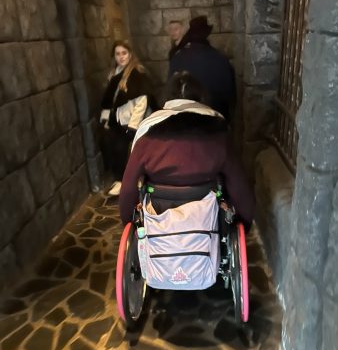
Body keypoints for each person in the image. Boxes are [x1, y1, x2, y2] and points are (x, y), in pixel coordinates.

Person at [119, 72, 255, 230]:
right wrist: (245, 219)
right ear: (201, 96)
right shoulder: (218, 126)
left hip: (158, 212)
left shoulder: (147, 128)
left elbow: (129, 185)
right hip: (207, 214)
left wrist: (128, 220)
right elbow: (237, 181)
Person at [100, 40, 156, 196]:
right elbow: (109, 100)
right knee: (111, 146)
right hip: (117, 119)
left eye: (124, 53)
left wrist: (133, 125)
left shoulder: (138, 74)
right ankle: (120, 179)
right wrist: (106, 119)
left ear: (130, 54)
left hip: (131, 119)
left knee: (126, 148)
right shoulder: (115, 74)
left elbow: (141, 101)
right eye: (117, 54)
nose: (121, 57)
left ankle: (131, 179)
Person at [169, 16, 236, 122]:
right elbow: (230, 94)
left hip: (186, 119)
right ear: (206, 34)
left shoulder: (177, 57)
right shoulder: (219, 57)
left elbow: (171, 90)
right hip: (215, 119)